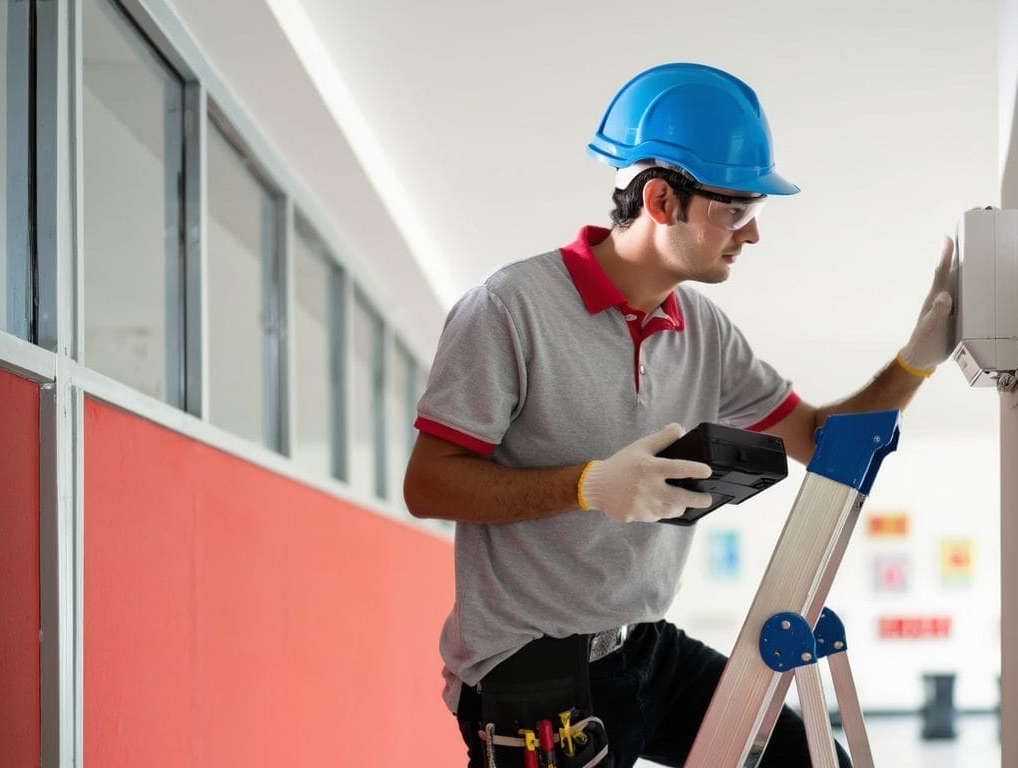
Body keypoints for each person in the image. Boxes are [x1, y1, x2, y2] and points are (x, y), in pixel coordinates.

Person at [403, 62, 955, 768]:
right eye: (736, 211)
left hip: (644, 647)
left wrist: (916, 358)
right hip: (533, 670)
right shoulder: (509, 309)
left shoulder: (704, 330)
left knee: (817, 760)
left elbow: (819, 441)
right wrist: (588, 485)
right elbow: (429, 485)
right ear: (662, 200)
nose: (751, 235)